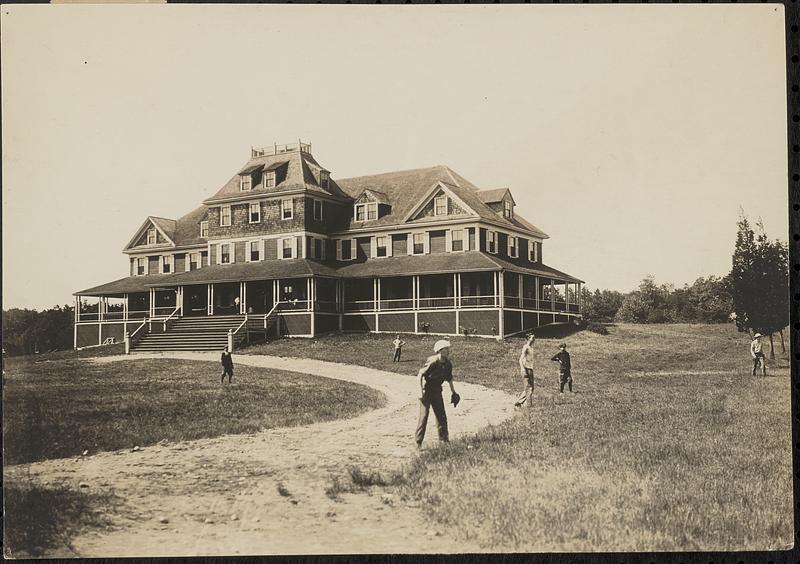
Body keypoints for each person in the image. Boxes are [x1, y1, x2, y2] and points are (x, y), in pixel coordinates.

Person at [415, 339, 458, 449]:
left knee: (441, 415)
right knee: (424, 416)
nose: (448, 351)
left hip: (437, 390)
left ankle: (444, 440)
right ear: (439, 350)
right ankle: (418, 442)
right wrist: (420, 390)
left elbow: (449, 379)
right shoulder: (433, 361)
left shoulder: (448, 364)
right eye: (446, 349)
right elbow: (420, 374)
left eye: (448, 349)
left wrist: (454, 392)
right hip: (427, 390)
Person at [514, 333, 536, 408]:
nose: (534, 339)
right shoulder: (526, 347)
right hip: (526, 368)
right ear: (528, 338)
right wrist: (523, 369)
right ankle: (526, 405)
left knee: (531, 388)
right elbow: (520, 359)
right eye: (532, 338)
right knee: (529, 387)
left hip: (530, 369)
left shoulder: (531, 348)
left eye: (534, 338)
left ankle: (520, 402)